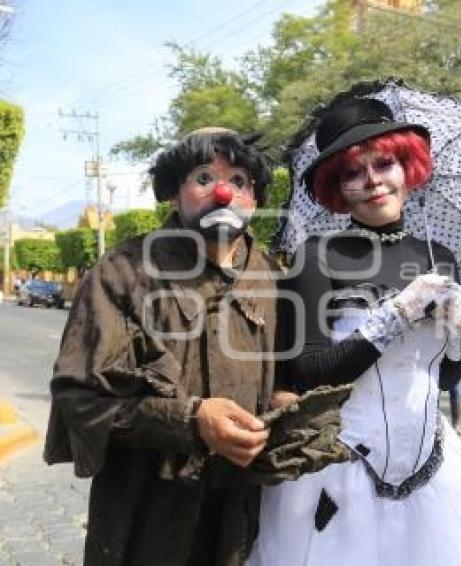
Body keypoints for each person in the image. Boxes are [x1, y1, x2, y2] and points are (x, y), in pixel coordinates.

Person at [247, 97, 461, 566]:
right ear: (336, 188)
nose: (373, 181)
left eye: (385, 163)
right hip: (338, 471)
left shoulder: (437, 256)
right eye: (352, 173)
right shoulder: (315, 256)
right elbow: (308, 371)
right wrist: (397, 315)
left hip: (430, 469)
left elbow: (443, 379)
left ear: (408, 165)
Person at [44, 128, 282, 566]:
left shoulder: (268, 274)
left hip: (241, 520)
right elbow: (79, 395)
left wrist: (283, 402)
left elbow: (278, 373)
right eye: (205, 178)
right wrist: (192, 420)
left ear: (255, 197)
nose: (224, 192)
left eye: (240, 181)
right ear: (174, 193)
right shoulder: (122, 272)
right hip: (146, 516)